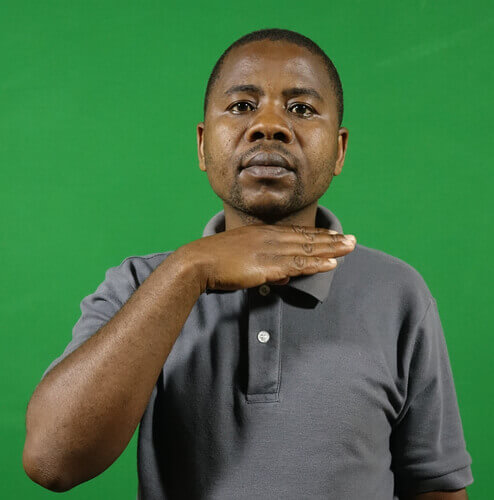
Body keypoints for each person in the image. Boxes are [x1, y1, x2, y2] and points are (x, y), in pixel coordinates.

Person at [23, 28, 473, 499]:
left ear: (339, 150)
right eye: (241, 106)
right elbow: (52, 461)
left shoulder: (398, 295)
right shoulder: (140, 284)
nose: (269, 125)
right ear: (202, 145)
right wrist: (191, 269)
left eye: (301, 108)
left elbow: (437, 489)